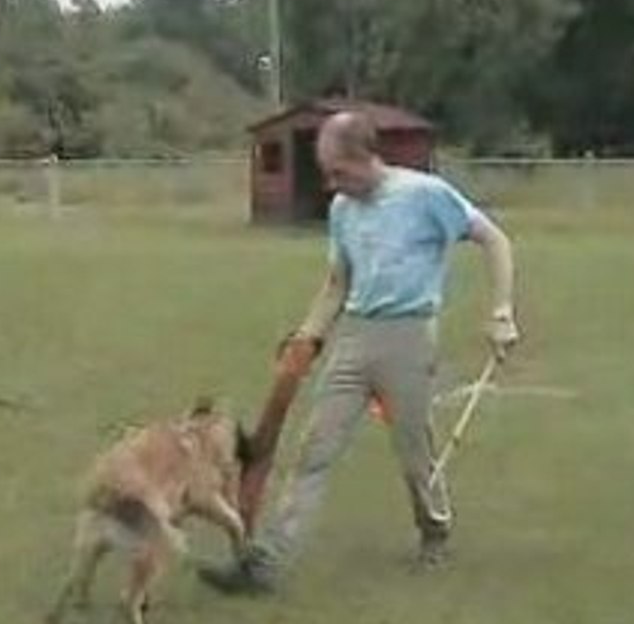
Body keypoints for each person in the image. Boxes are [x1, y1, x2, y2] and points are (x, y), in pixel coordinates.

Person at [197, 110, 520, 594]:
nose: (331, 184)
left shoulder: (425, 195)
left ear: (366, 157)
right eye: (327, 173)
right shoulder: (343, 211)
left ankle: (435, 533)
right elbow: (337, 284)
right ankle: (265, 562)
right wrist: (307, 337)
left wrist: (500, 312)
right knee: (313, 452)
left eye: (338, 172)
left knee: (414, 454)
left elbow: (494, 239)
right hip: (354, 337)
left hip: (408, 339)